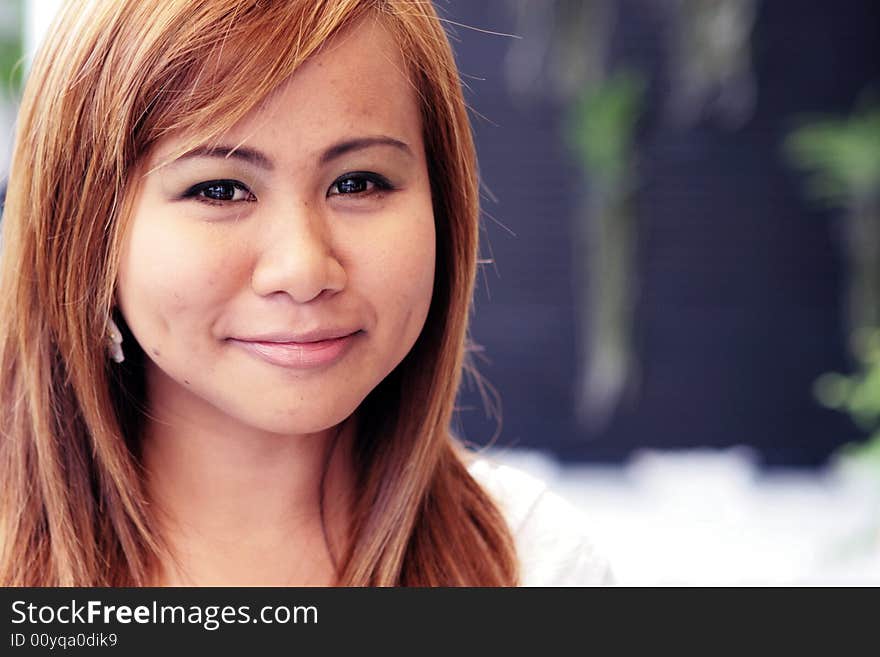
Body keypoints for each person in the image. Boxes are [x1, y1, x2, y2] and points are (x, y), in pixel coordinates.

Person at [0, 0, 611, 587]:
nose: (303, 268)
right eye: (220, 190)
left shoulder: (533, 565)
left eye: (358, 182)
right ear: (83, 234)